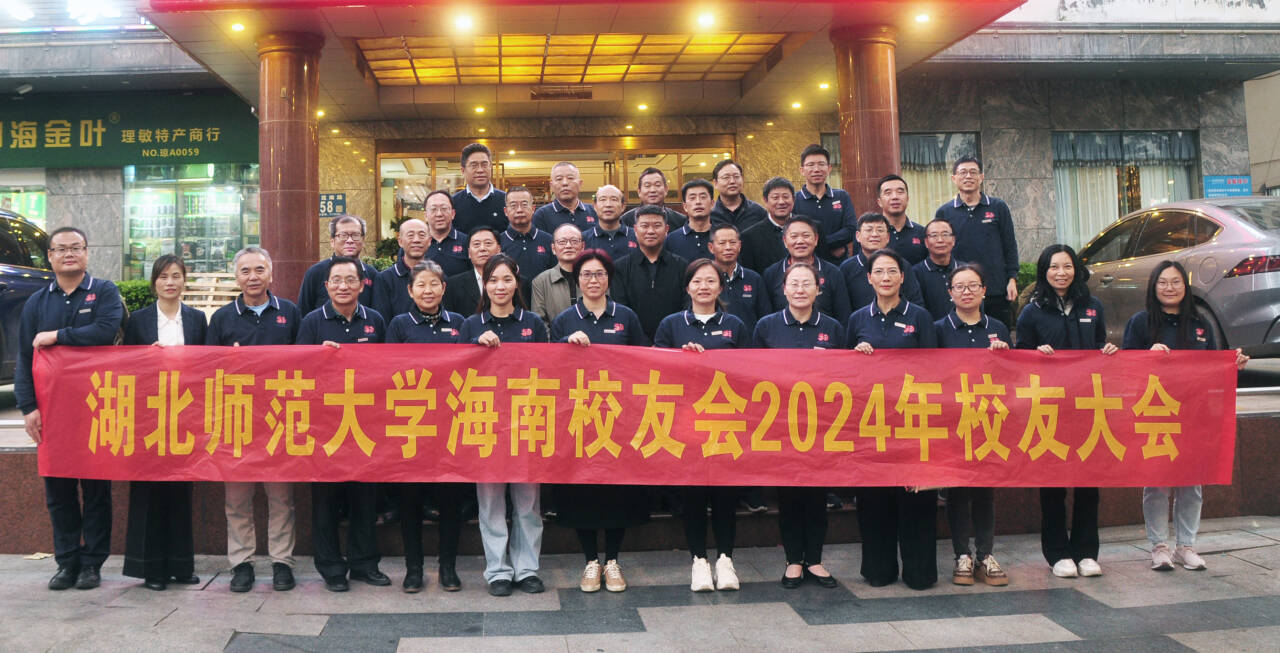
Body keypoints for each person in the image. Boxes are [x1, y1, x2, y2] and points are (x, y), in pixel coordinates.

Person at [1122, 261, 1250, 573]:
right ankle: (1159, 546)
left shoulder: (1200, 322)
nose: (1170, 288)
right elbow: (1123, 368)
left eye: (1176, 282)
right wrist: (1146, 357)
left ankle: (1186, 546)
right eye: (1163, 282)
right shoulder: (1140, 323)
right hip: (1155, 412)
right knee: (1157, 482)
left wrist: (1232, 363)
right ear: (1154, 287)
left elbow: (1213, 366)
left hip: (1193, 412)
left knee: (1191, 482)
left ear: (1185, 286)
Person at [17, 226, 125, 591]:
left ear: (86, 252)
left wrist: (57, 337)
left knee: (96, 491)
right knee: (59, 492)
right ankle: (66, 562)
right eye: (60, 249)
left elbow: (106, 330)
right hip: (52, 414)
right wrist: (28, 407)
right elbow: (24, 358)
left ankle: (92, 563)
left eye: (75, 247)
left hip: (98, 409)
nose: (68, 254)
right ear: (49, 256)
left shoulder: (104, 292)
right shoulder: (36, 303)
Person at [1015, 244, 1118, 579]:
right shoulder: (1032, 311)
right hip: (1050, 408)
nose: (1061, 273)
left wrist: (1106, 350)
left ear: (1076, 270)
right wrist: (1035, 354)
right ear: (1044, 272)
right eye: (1054, 267)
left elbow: (1098, 345)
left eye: (1067, 266)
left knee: (1089, 482)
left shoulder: (1093, 306)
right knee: (1053, 484)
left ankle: (1087, 551)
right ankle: (1057, 553)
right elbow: (1018, 359)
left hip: (1087, 405)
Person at [550, 250, 649, 593]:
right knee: (584, 492)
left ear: (609, 279)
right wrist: (565, 344)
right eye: (587, 275)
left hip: (619, 419)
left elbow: (643, 361)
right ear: (577, 280)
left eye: (600, 274)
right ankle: (591, 560)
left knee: (616, 492)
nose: (593, 280)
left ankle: (613, 560)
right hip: (580, 419)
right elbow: (550, 367)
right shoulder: (565, 319)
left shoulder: (626, 317)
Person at [205, 246, 301, 593]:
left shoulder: (289, 312)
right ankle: (241, 564)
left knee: (281, 498)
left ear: (271, 274)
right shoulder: (222, 319)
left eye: (259, 270)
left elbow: (305, 363)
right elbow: (207, 370)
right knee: (237, 500)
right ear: (236, 277)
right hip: (237, 419)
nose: (253, 277)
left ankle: (282, 562)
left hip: (280, 419)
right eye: (245, 271)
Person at [655, 259, 749, 592]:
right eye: (697, 281)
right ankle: (698, 560)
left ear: (721, 287)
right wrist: (680, 358)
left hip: (725, 422)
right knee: (693, 495)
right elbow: (655, 369)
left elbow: (750, 371)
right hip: (686, 422)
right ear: (687, 287)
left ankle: (725, 559)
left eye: (711, 281)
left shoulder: (735, 324)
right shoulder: (671, 324)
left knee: (725, 496)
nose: (704, 287)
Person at [458, 254, 550, 596]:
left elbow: (549, 370)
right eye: (493, 280)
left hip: (526, 422)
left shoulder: (533, 324)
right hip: (486, 423)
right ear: (484, 284)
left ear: (516, 282)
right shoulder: (471, 325)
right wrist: (475, 347)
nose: (500, 286)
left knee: (528, 503)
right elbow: (456, 373)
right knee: (491, 502)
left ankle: (527, 569)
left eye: (506, 279)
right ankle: (497, 570)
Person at [848, 249, 940, 591]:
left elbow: (934, 369)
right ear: (869, 278)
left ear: (903, 278)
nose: (885, 278)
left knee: (916, 498)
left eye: (892, 272)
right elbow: (843, 373)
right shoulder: (858, 319)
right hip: (871, 423)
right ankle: (879, 568)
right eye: (879, 272)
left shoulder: (920, 316)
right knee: (875, 500)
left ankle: (919, 570)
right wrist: (857, 357)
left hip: (913, 420)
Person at [296, 257, 390, 592]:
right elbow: (297, 372)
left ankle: (365, 564)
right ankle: (332, 568)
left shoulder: (375, 321)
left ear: (362, 285)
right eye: (336, 280)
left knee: (364, 499)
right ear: (326, 286)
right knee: (325, 502)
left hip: (364, 424)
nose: (343, 286)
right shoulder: (311, 322)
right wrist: (317, 357)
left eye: (351, 279)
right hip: (325, 427)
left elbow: (388, 368)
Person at [752, 262, 844, 589]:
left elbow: (846, 375)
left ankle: (815, 559)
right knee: (789, 494)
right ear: (784, 289)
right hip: (780, 424)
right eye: (794, 283)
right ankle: (793, 560)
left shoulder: (833, 328)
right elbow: (752, 372)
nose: (801, 289)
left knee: (817, 495)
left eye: (807, 283)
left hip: (822, 425)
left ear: (818, 289)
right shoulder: (766, 326)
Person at [121, 255, 206, 591]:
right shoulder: (139, 320)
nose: (170, 282)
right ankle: (152, 568)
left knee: (181, 491)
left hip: (185, 418)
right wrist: (146, 357)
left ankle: (182, 566)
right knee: (149, 492)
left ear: (184, 280)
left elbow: (207, 366)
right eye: (163, 277)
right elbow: (126, 367)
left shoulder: (197, 319)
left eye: (176, 276)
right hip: (148, 419)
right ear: (154, 282)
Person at [386, 260, 470, 592]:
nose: (428, 290)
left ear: (444, 288)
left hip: (450, 425)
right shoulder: (399, 325)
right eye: (421, 285)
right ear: (410, 291)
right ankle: (414, 568)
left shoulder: (460, 323)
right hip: (412, 425)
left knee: (450, 500)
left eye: (434, 284)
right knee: (411, 500)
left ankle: (448, 567)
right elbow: (388, 372)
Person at [934, 263, 1011, 587]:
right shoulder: (939, 329)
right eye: (960, 287)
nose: (966, 292)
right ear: (950, 293)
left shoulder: (998, 328)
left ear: (984, 290)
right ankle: (961, 555)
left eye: (973, 286)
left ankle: (985, 554)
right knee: (957, 491)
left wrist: (1004, 355)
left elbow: (1013, 376)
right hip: (953, 420)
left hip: (988, 420)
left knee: (984, 491)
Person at [935, 157, 1019, 326]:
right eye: (963, 172)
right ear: (954, 178)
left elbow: (1009, 245)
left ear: (981, 177)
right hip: (962, 291)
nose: (968, 176)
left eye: (973, 172)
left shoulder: (998, 207)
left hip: (995, 288)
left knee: (998, 335)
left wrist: (1012, 279)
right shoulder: (945, 212)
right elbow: (939, 251)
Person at [613, 205, 690, 341]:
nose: (650, 231)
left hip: (674, 342)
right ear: (635, 230)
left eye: (657, 226)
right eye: (644, 226)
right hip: (633, 344)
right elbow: (621, 310)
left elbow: (686, 308)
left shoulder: (681, 266)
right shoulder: (620, 267)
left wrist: (667, 340)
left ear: (666, 229)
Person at [762, 216, 851, 324]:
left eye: (806, 236)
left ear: (816, 239)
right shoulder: (771, 274)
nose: (800, 241)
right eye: (794, 236)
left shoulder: (833, 273)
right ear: (785, 241)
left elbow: (843, 317)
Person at [839, 213, 923, 313]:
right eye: (869, 230)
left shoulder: (901, 265)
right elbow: (842, 309)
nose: (874, 234)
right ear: (858, 236)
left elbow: (916, 302)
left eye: (880, 230)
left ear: (888, 237)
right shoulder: (847, 268)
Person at [296, 215, 378, 315]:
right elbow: (303, 313)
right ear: (332, 241)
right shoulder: (316, 272)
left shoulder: (372, 274)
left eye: (356, 235)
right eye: (343, 235)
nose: (350, 240)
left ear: (363, 240)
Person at [792, 144, 856, 261]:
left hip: (838, 263)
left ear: (829, 168)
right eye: (811, 165)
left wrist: (820, 243)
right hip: (805, 263)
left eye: (821, 164)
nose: (816, 169)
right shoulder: (794, 199)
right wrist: (830, 245)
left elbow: (851, 229)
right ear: (802, 170)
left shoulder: (842, 196)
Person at [708, 223, 770, 336]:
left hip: (748, 344)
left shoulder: (754, 279)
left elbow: (765, 318)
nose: (728, 247)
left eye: (733, 242)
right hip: (715, 343)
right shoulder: (705, 280)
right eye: (722, 243)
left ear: (740, 246)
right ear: (711, 248)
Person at [499, 185, 556, 303]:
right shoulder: (498, 243)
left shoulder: (549, 241)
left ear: (533, 208)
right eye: (513, 205)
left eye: (524, 204)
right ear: (505, 211)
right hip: (509, 305)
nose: (519, 210)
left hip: (545, 303)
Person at [374, 214, 435, 318]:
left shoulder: (437, 276)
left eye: (421, 235)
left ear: (429, 241)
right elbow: (381, 319)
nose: (416, 240)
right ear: (400, 241)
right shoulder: (385, 278)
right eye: (410, 235)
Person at [531, 223, 585, 324]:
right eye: (562, 242)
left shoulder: (595, 277)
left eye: (574, 241)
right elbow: (540, 323)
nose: (568, 246)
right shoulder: (541, 281)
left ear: (582, 246)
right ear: (553, 248)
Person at [739, 177, 793, 274]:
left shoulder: (810, 228)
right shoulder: (750, 237)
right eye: (775, 198)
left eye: (786, 197)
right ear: (765, 200)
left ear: (793, 199)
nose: (781, 202)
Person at [912, 219, 964, 320]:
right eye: (934, 235)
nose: (940, 240)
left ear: (953, 240)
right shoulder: (916, 273)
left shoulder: (965, 271)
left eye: (945, 234)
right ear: (926, 242)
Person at [451, 142, 508, 234]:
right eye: (474, 165)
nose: (480, 170)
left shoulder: (506, 200)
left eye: (484, 165)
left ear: (491, 167)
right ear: (463, 170)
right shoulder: (453, 203)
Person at [444, 226, 501, 316]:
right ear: (469, 253)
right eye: (476, 244)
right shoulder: (453, 286)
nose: (482, 248)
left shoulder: (514, 282)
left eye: (488, 243)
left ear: (499, 249)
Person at [532, 162, 598, 232]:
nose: (565, 183)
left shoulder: (594, 212)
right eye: (559, 179)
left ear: (580, 183)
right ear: (551, 185)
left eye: (570, 178)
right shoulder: (542, 215)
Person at [875, 174, 927, 265]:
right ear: (879, 202)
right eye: (888, 193)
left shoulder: (922, 233)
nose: (895, 197)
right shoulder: (871, 235)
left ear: (907, 199)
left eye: (900, 192)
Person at [422, 190, 471, 277]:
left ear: (453, 214)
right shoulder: (417, 243)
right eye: (433, 209)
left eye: (444, 208)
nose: (439, 214)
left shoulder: (467, 242)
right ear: (425, 215)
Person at [582, 184, 637, 262]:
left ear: (623, 206)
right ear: (595, 206)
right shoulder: (583, 239)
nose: (608, 205)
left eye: (614, 199)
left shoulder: (637, 236)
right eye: (603, 199)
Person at [665, 178, 715, 263]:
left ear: (712, 204)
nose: (698, 202)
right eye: (692, 198)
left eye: (703, 197)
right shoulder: (671, 240)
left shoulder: (723, 237)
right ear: (685, 206)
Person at [621, 167, 687, 230]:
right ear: (639, 191)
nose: (652, 190)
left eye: (657, 185)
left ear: (666, 189)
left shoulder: (680, 220)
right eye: (647, 186)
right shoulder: (626, 220)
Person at [710, 159, 767, 231]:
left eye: (736, 176)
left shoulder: (758, 212)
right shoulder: (710, 215)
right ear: (715, 183)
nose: (732, 181)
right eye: (726, 177)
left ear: (742, 179)